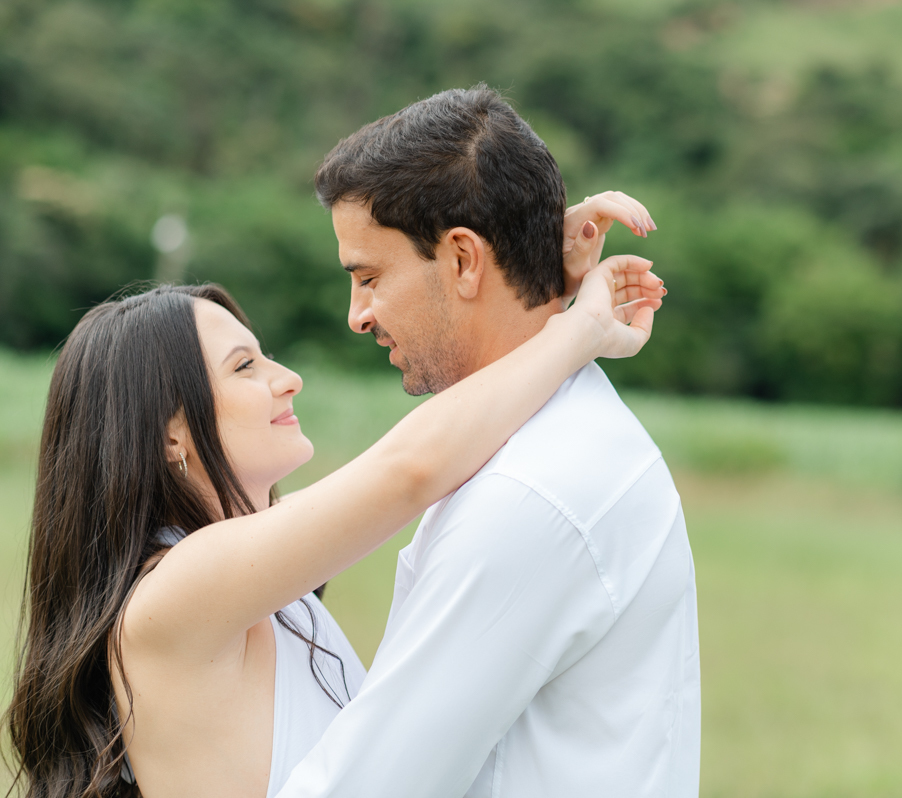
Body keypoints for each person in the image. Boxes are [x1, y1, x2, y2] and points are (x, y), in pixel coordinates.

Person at [5, 203, 663, 795]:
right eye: (244, 367)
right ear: (169, 434)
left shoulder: (248, 583)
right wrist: (583, 330)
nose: (287, 379)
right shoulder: (177, 591)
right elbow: (414, 466)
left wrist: (522, 274)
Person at [276, 85, 700, 798]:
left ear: (465, 260)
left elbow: (368, 784)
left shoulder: (531, 494)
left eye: (370, 276)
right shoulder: (556, 437)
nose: (358, 315)